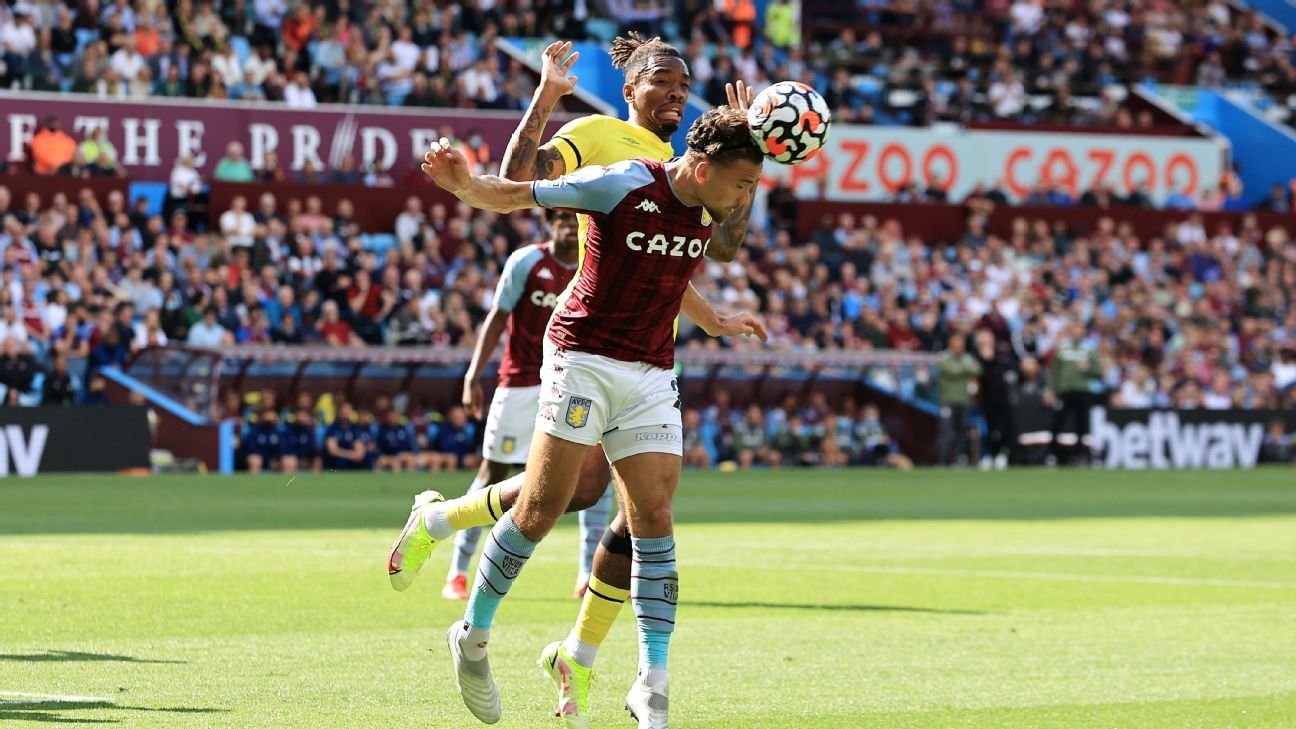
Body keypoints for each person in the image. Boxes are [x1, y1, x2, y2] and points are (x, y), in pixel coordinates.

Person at [386, 38, 764, 723]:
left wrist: (712, 317)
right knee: (550, 501)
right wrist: (534, 109)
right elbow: (518, 179)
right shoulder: (605, 146)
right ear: (630, 88)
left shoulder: (703, 171)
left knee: (641, 513)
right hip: (586, 345)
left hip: (652, 355)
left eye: (686, 84)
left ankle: (618, 672)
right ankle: (473, 623)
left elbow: (694, 254)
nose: (677, 92)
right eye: (664, 80)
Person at [438, 208, 582, 601]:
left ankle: (587, 573)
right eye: (562, 220)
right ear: (550, 225)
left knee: (589, 478)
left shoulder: (594, 260)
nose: (570, 227)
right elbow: (497, 318)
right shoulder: (527, 261)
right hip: (519, 383)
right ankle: (457, 571)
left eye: (576, 220)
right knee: (492, 474)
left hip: (572, 382)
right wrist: (473, 375)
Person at [973, 328, 1016, 470]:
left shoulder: (1001, 355)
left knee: (1005, 427)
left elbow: (1007, 372)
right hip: (986, 398)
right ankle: (989, 455)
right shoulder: (976, 357)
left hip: (1002, 397)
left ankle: (1002, 455)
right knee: (989, 429)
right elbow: (981, 375)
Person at [938, 333, 980, 465]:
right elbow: (951, 370)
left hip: (963, 400)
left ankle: (957, 459)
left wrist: (961, 369)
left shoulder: (966, 358)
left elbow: (977, 369)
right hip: (948, 400)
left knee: (960, 432)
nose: (959, 347)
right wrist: (965, 369)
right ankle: (944, 460)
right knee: (947, 432)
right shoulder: (945, 357)